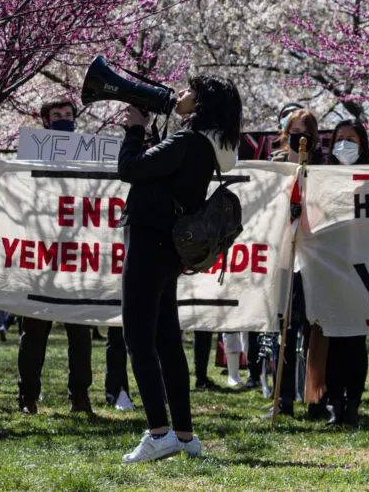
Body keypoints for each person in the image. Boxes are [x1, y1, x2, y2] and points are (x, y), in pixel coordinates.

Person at [118, 76, 241, 462]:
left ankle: (158, 432)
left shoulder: (188, 143)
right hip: (167, 248)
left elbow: (130, 168)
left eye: (189, 91)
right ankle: (185, 436)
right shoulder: (203, 147)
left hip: (149, 243)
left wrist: (135, 129)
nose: (180, 95)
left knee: (138, 338)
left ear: (201, 104)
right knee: (167, 340)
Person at [16, 99, 94, 414]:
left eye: (68, 115)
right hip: (41, 256)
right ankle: (28, 396)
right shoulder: (31, 154)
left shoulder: (89, 155)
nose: (64, 120)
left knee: (80, 332)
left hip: (77, 258)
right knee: (34, 331)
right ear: (45, 122)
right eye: (57, 116)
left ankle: (80, 395)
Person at [267, 108, 326, 419]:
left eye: (305, 131)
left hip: (313, 256)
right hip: (283, 256)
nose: (299, 136)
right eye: (294, 130)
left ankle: (315, 398)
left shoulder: (323, 169)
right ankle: (283, 398)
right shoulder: (275, 166)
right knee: (285, 329)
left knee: (314, 328)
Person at [322, 118, 369, 427]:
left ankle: (353, 403)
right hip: (327, 270)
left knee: (355, 341)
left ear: (363, 144)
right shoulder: (322, 181)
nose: (345, 145)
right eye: (340, 138)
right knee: (332, 341)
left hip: (361, 272)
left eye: (352, 139)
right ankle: (334, 403)